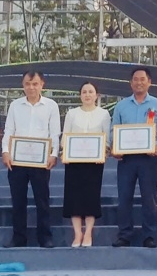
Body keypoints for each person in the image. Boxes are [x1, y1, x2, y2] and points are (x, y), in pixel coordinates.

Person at [111, 66, 157, 249]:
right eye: (135, 79)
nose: (139, 82)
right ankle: (124, 235)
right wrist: (116, 147)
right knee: (124, 197)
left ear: (149, 82)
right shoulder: (121, 106)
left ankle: (149, 235)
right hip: (126, 159)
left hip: (148, 158)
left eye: (142, 79)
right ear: (131, 83)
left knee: (149, 198)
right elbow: (114, 130)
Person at [1, 70, 61, 248]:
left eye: (35, 83)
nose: (31, 87)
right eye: (28, 83)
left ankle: (45, 237)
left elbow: (55, 133)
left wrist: (53, 154)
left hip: (41, 161)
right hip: (17, 160)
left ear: (42, 84)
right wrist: (5, 151)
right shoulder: (15, 105)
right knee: (18, 200)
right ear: (23, 85)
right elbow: (9, 130)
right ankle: (18, 237)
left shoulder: (51, 105)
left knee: (42, 200)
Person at [62, 81, 111, 247]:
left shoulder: (104, 114)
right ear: (80, 95)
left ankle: (88, 233)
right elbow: (65, 137)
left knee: (91, 198)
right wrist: (66, 151)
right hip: (74, 162)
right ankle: (77, 234)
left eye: (91, 92)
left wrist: (103, 151)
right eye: (84, 92)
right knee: (73, 199)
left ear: (97, 95)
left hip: (94, 163)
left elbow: (107, 139)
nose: (87, 95)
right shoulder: (71, 113)